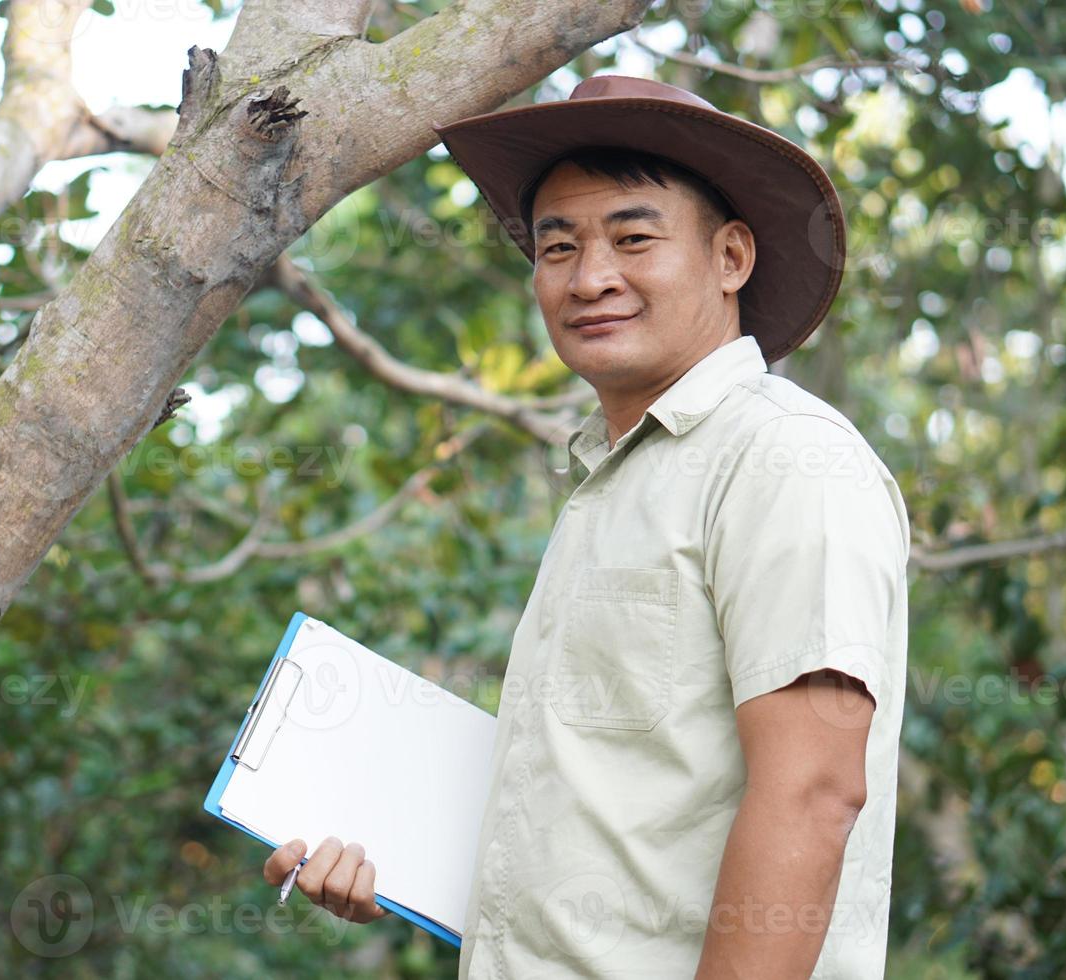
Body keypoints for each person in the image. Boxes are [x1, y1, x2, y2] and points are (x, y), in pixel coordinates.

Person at [262, 75, 910, 979]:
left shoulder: (783, 459)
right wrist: (379, 846)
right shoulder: (611, 480)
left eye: (634, 238)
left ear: (731, 256)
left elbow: (813, 792)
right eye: (557, 246)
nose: (591, 276)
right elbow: (600, 813)